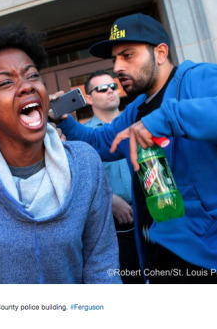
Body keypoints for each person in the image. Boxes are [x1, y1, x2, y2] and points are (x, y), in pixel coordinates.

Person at [56, 13, 217, 283]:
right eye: (115, 59)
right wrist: (66, 122)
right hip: (157, 259)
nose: (118, 67)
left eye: (128, 55)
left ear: (160, 53)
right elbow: (100, 143)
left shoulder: (197, 80)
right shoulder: (134, 109)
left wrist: (169, 118)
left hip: (210, 261)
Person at [0, 22, 121, 283]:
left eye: (32, 76)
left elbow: (102, 262)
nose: (26, 86)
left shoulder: (85, 162)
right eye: (6, 82)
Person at [84, 70, 143, 283]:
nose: (110, 90)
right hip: (111, 230)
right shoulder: (82, 138)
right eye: (101, 88)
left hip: (150, 219)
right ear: (89, 97)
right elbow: (81, 184)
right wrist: (109, 199)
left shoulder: (139, 124)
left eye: (113, 86)